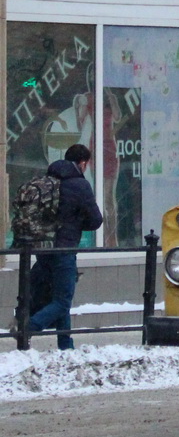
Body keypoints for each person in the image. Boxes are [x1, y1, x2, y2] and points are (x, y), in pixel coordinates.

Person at [25, 144, 104, 350]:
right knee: (62, 300)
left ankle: (66, 345)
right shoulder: (79, 184)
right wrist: (78, 224)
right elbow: (96, 220)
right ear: (83, 163)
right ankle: (28, 326)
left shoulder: (49, 180)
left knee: (58, 297)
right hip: (64, 250)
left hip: (44, 248)